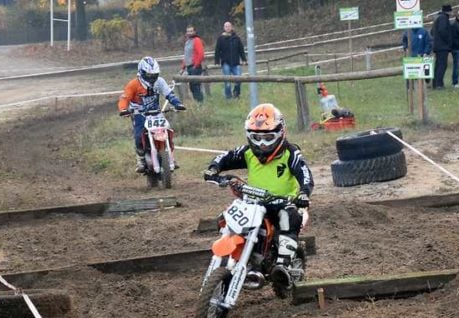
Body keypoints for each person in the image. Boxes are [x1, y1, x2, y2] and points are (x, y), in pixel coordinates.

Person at [203, 103, 313, 285]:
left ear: (280, 133)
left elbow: (305, 174)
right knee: (226, 217)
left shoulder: (290, 153)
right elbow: (226, 156)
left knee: (289, 217)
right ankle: (241, 258)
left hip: (285, 202)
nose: (262, 144)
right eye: (257, 138)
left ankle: (283, 266)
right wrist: (213, 169)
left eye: (268, 138)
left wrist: (303, 193)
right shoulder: (248, 153)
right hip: (254, 202)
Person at [118, 57, 185, 173]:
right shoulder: (133, 84)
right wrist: (124, 109)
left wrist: (178, 104)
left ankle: (170, 156)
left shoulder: (160, 81)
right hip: (139, 113)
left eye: (154, 75)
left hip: (156, 112)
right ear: (142, 73)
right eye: (149, 75)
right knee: (139, 135)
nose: (152, 78)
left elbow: (169, 94)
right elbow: (124, 98)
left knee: (167, 130)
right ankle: (141, 159)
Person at [214, 21, 246, 99]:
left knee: (238, 79)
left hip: (235, 62)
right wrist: (217, 61)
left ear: (231, 27)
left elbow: (241, 49)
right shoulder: (221, 38)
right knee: (227, 81)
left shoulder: (236, 38)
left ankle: (236, 94)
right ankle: (228, 96)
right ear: (224, 28)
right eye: (226, 26)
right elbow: (217, 50)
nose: (228, 28)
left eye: (229, 26)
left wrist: (244, 59)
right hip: (226, 62)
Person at [432, 4, 453, 89]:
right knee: (442, 65)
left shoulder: (438, 18)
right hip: (442, 46)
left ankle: (435, 83)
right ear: (449, 11)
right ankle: (439, 84)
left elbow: (432, 32)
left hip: (437, 45)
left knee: (438, 65)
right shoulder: (443, 18)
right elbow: (443, 31)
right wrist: (448, 41)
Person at [181, 25, 205, 102]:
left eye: (191, 31)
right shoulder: (187, 42)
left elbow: (200, 54)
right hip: (189, 67)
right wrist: (183, 67)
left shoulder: (197, 40)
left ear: (194, 32)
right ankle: (197, 102)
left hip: (195, 67)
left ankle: (200, 103)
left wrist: (196, 65)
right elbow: (186, 56)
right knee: (192, 86)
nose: (189, 33)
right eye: (188, 31)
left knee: (196, 86)